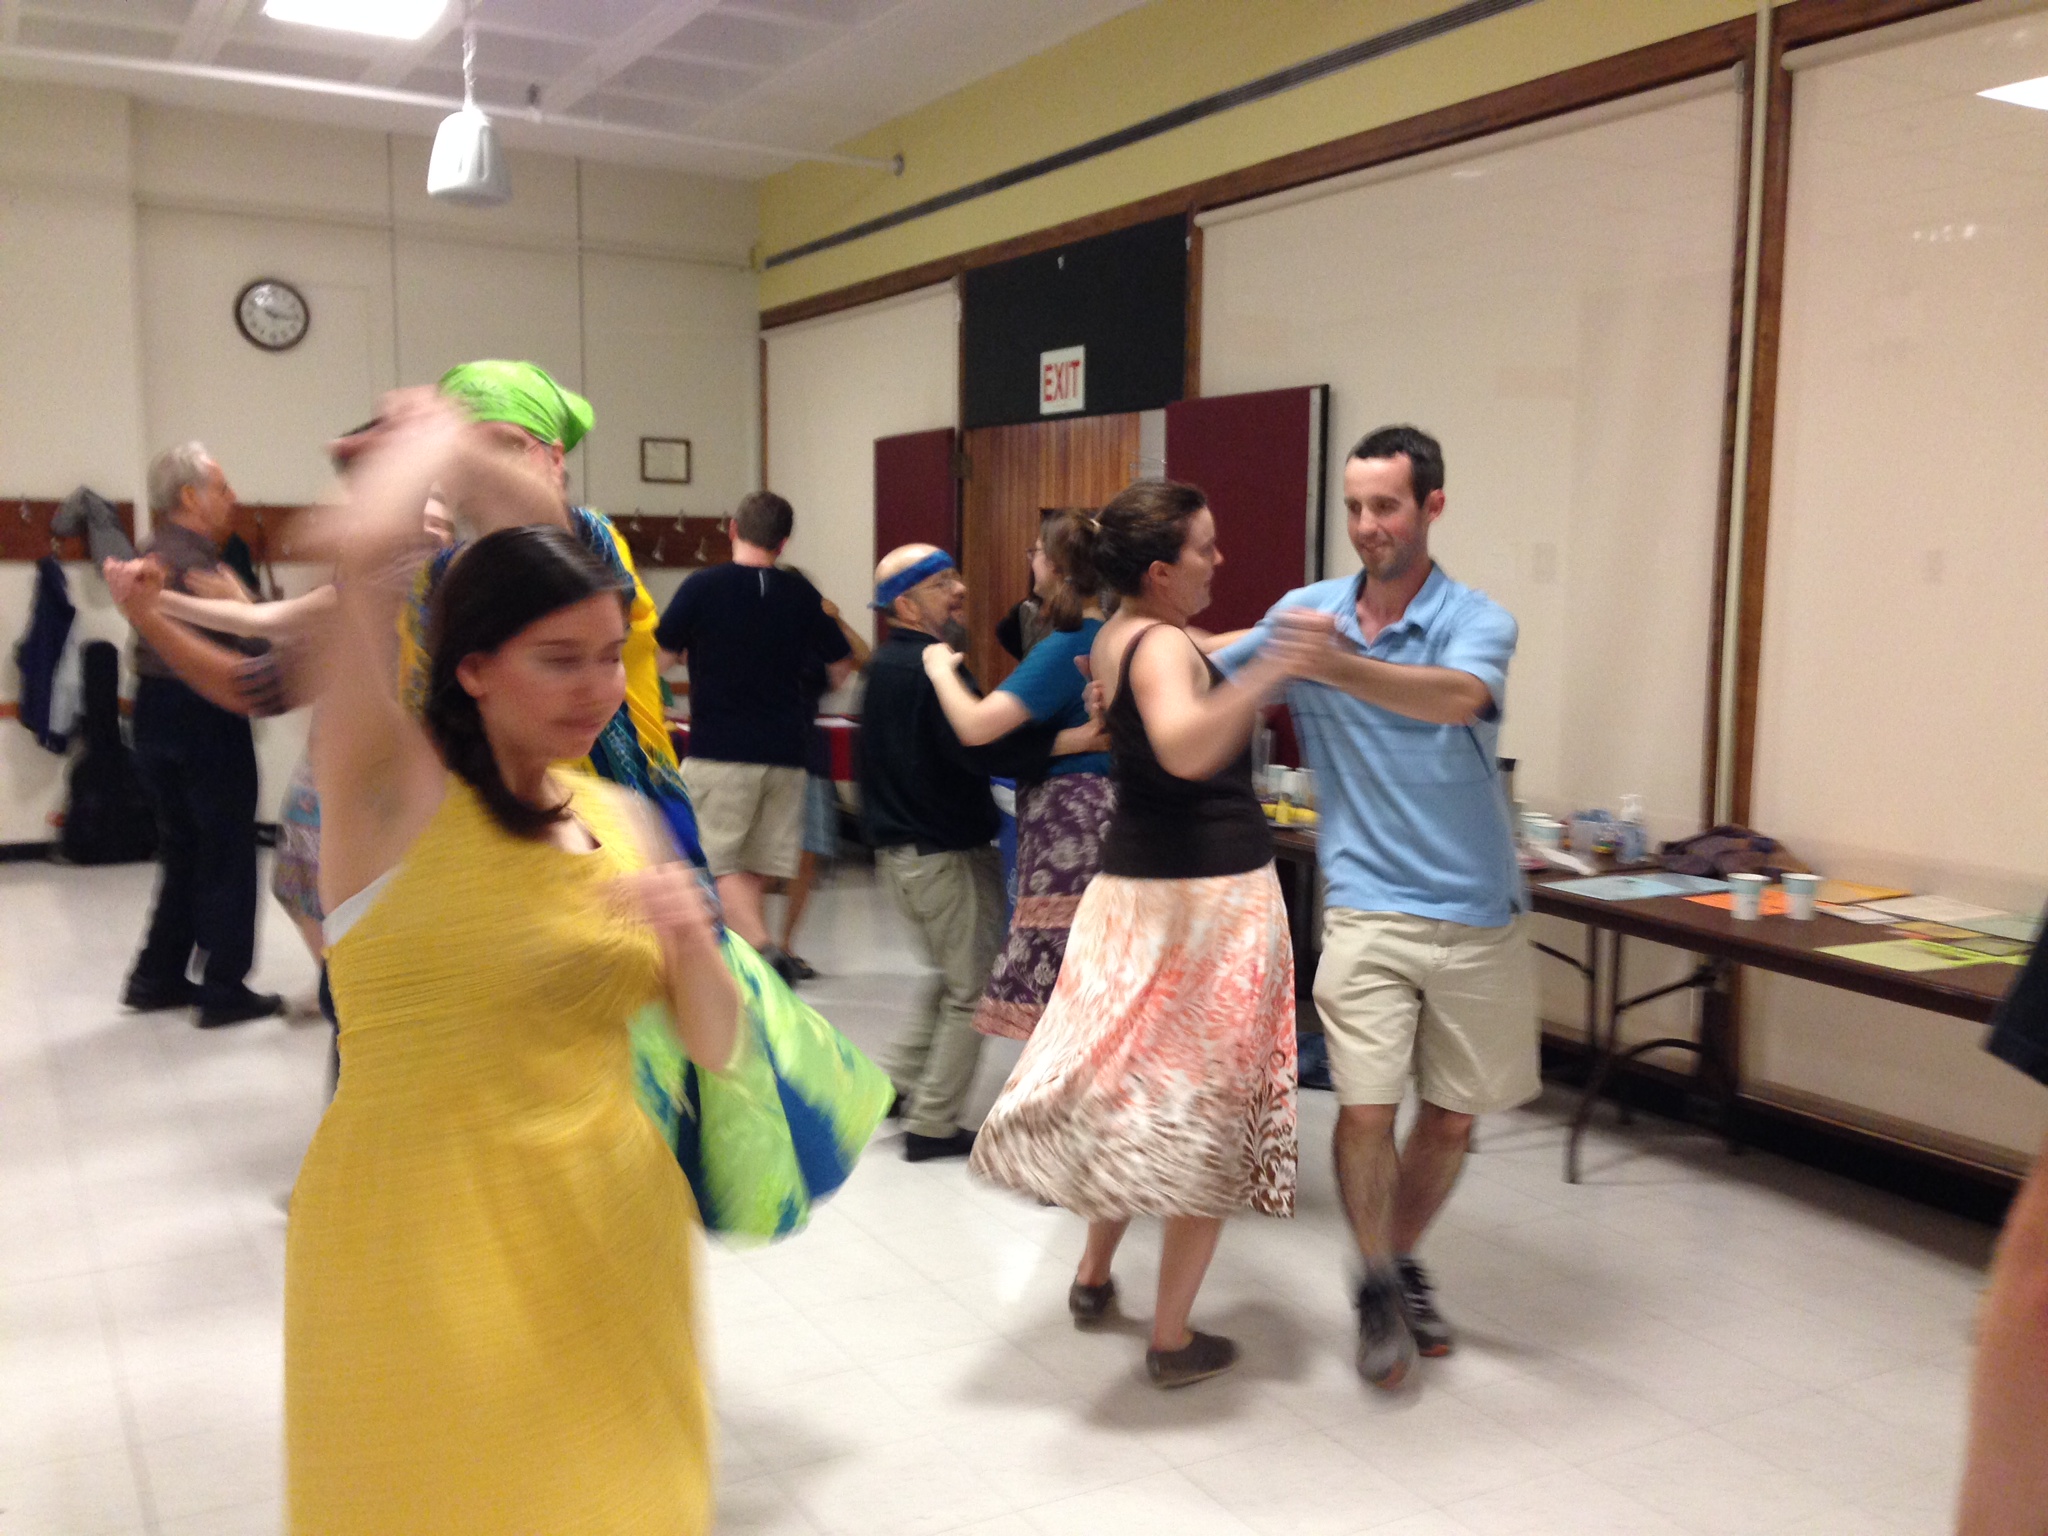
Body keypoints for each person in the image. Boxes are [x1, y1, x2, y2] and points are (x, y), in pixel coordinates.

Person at [287, 390, 737, 1533]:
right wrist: (431, 446)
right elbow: (355, 554)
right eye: (559, 660)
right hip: (428, 1231)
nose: (597, 690)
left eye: (609, 658)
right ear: (474, 667)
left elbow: (714, 1041)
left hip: (610, 1225)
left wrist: (690, 935)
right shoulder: (388, 793)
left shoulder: (617, 815)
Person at [969, 482, 1312, 1387]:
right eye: (1206, 548)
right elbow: (1187, 745)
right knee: (1207, 1116)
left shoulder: (1125, 631)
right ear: (1161, 570)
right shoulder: (1159, 645)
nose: (1220, 559)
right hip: (1205, 901)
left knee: (1131, 1100)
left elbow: (1202, 651)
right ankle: (1171, 1337)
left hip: (1136, 890)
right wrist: (1272, 672)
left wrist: (1269, 637)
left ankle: (1093, 1275)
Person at [1215, 424, 1534, 1390]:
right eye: (1354, 507)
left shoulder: (1477, 619)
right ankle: (1376, 1284)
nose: (1366, 525)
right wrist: (1121, 645)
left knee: (1450, 1120)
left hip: (1477, 907)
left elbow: (1457, 698)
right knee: (1364, 1111)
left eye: (1386, 506)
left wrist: (1326, 665)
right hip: (1365, 904)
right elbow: (1212, 662)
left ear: (1431, 506)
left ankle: (1391, 1264)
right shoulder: (1306, 613)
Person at [858, 545, 1089, 1160]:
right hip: (943, 856)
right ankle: (932, 1124)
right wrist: (1076, 739)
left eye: (956, 575)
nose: (959, 590)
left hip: (904, 855)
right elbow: (983, 748)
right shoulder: (929, 672)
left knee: (949, 976)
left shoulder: (883, 665)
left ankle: (892, 1087)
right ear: (907, 606)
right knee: (974, 990)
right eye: (941, 583)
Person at [923, 510, 1114, 1039]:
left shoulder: (1066, 646)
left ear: (1053, 565)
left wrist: (940, 669)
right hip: (1102, 816)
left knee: (1062, 986)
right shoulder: (1110, 637)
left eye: (1035, 552)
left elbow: (976, 727)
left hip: (1070, 826)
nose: (1031, 561)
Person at [116, 442, 286, 1027]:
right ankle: (224, 989)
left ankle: (156, 975)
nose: (233, 497)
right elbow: (261, 643)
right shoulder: (201, 567)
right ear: (190, 497)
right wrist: (246, 601)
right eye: (222, 487)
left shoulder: (150, 553)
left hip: (152, 710)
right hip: (205, 712)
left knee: (183, 847)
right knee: (228, 849)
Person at [656, 492, 855, 977]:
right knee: (752, 868)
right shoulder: (800, 594)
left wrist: (694, 656)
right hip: (786, 756)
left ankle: (763, 950)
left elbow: (658, 658)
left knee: (714, 864)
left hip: (721, 751)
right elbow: (840, 665)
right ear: (783, 543)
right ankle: (752, 967)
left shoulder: (703, 586)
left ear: (732, 528)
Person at [778, 584, 871, 979]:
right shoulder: (757, 634)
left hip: (807, 753)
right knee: (754, 858)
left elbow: (863, 658)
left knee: (808, 854)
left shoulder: (814, 640)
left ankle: (785, 946)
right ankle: (754, 946)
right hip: (761, 752)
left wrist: (836, 620)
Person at [995, 512, 1060, 661]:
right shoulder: (1026, 611)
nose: (1032, 561)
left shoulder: (1075, 628)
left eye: (1037, 551)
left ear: (1055, 562)